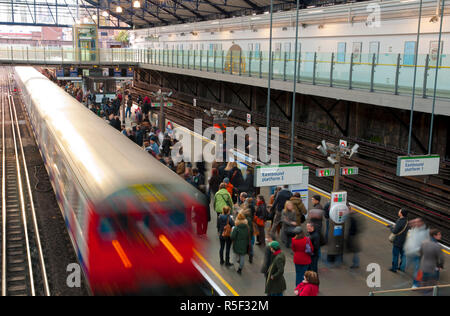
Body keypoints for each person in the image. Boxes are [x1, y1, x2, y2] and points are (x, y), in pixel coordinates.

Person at [404, 218, 429, 288]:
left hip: (418, 254)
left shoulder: (425, 232)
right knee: (406, 265)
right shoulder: (413, 229)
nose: (415, 223)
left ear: (421, 223)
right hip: (409, 252)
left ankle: (416, 284)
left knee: (417, 270)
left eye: (417, 222)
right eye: (415, 222)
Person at [388, 208, 409, 273]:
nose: (398, 212)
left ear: (401, 213)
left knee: (395, 255)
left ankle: (394, 268)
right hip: (404, 240)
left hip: (397, 241)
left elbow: (395, 231)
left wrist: (391, 227)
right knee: (403, 255)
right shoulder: (407, 221)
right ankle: (402, 267)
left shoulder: (400, 221)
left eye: (399, 211)